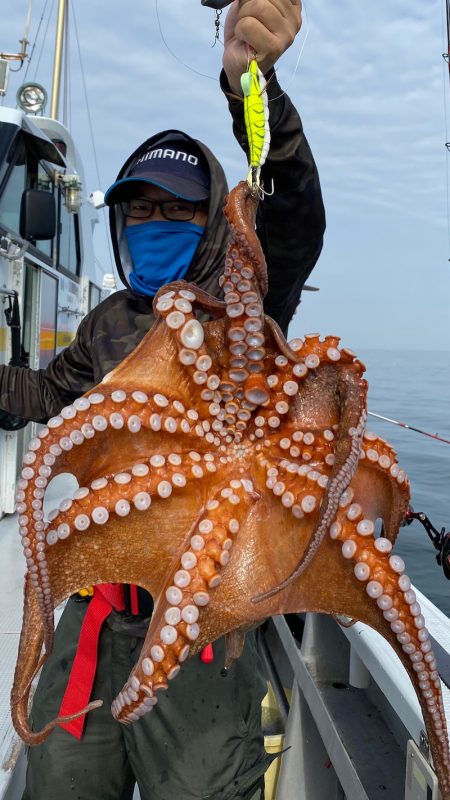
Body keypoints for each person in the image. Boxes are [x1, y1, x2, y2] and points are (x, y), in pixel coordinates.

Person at [0, 1, 325, 797]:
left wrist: (254, 86)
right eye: (139, 209)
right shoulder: (110, 323)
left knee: (201, 782)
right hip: (97, 602)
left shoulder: (241, 311)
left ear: (212, 221)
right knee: (61, 778)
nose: (155, 222)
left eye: (177, 209)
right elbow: (40, 392)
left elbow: (290, 219)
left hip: (202, 615)